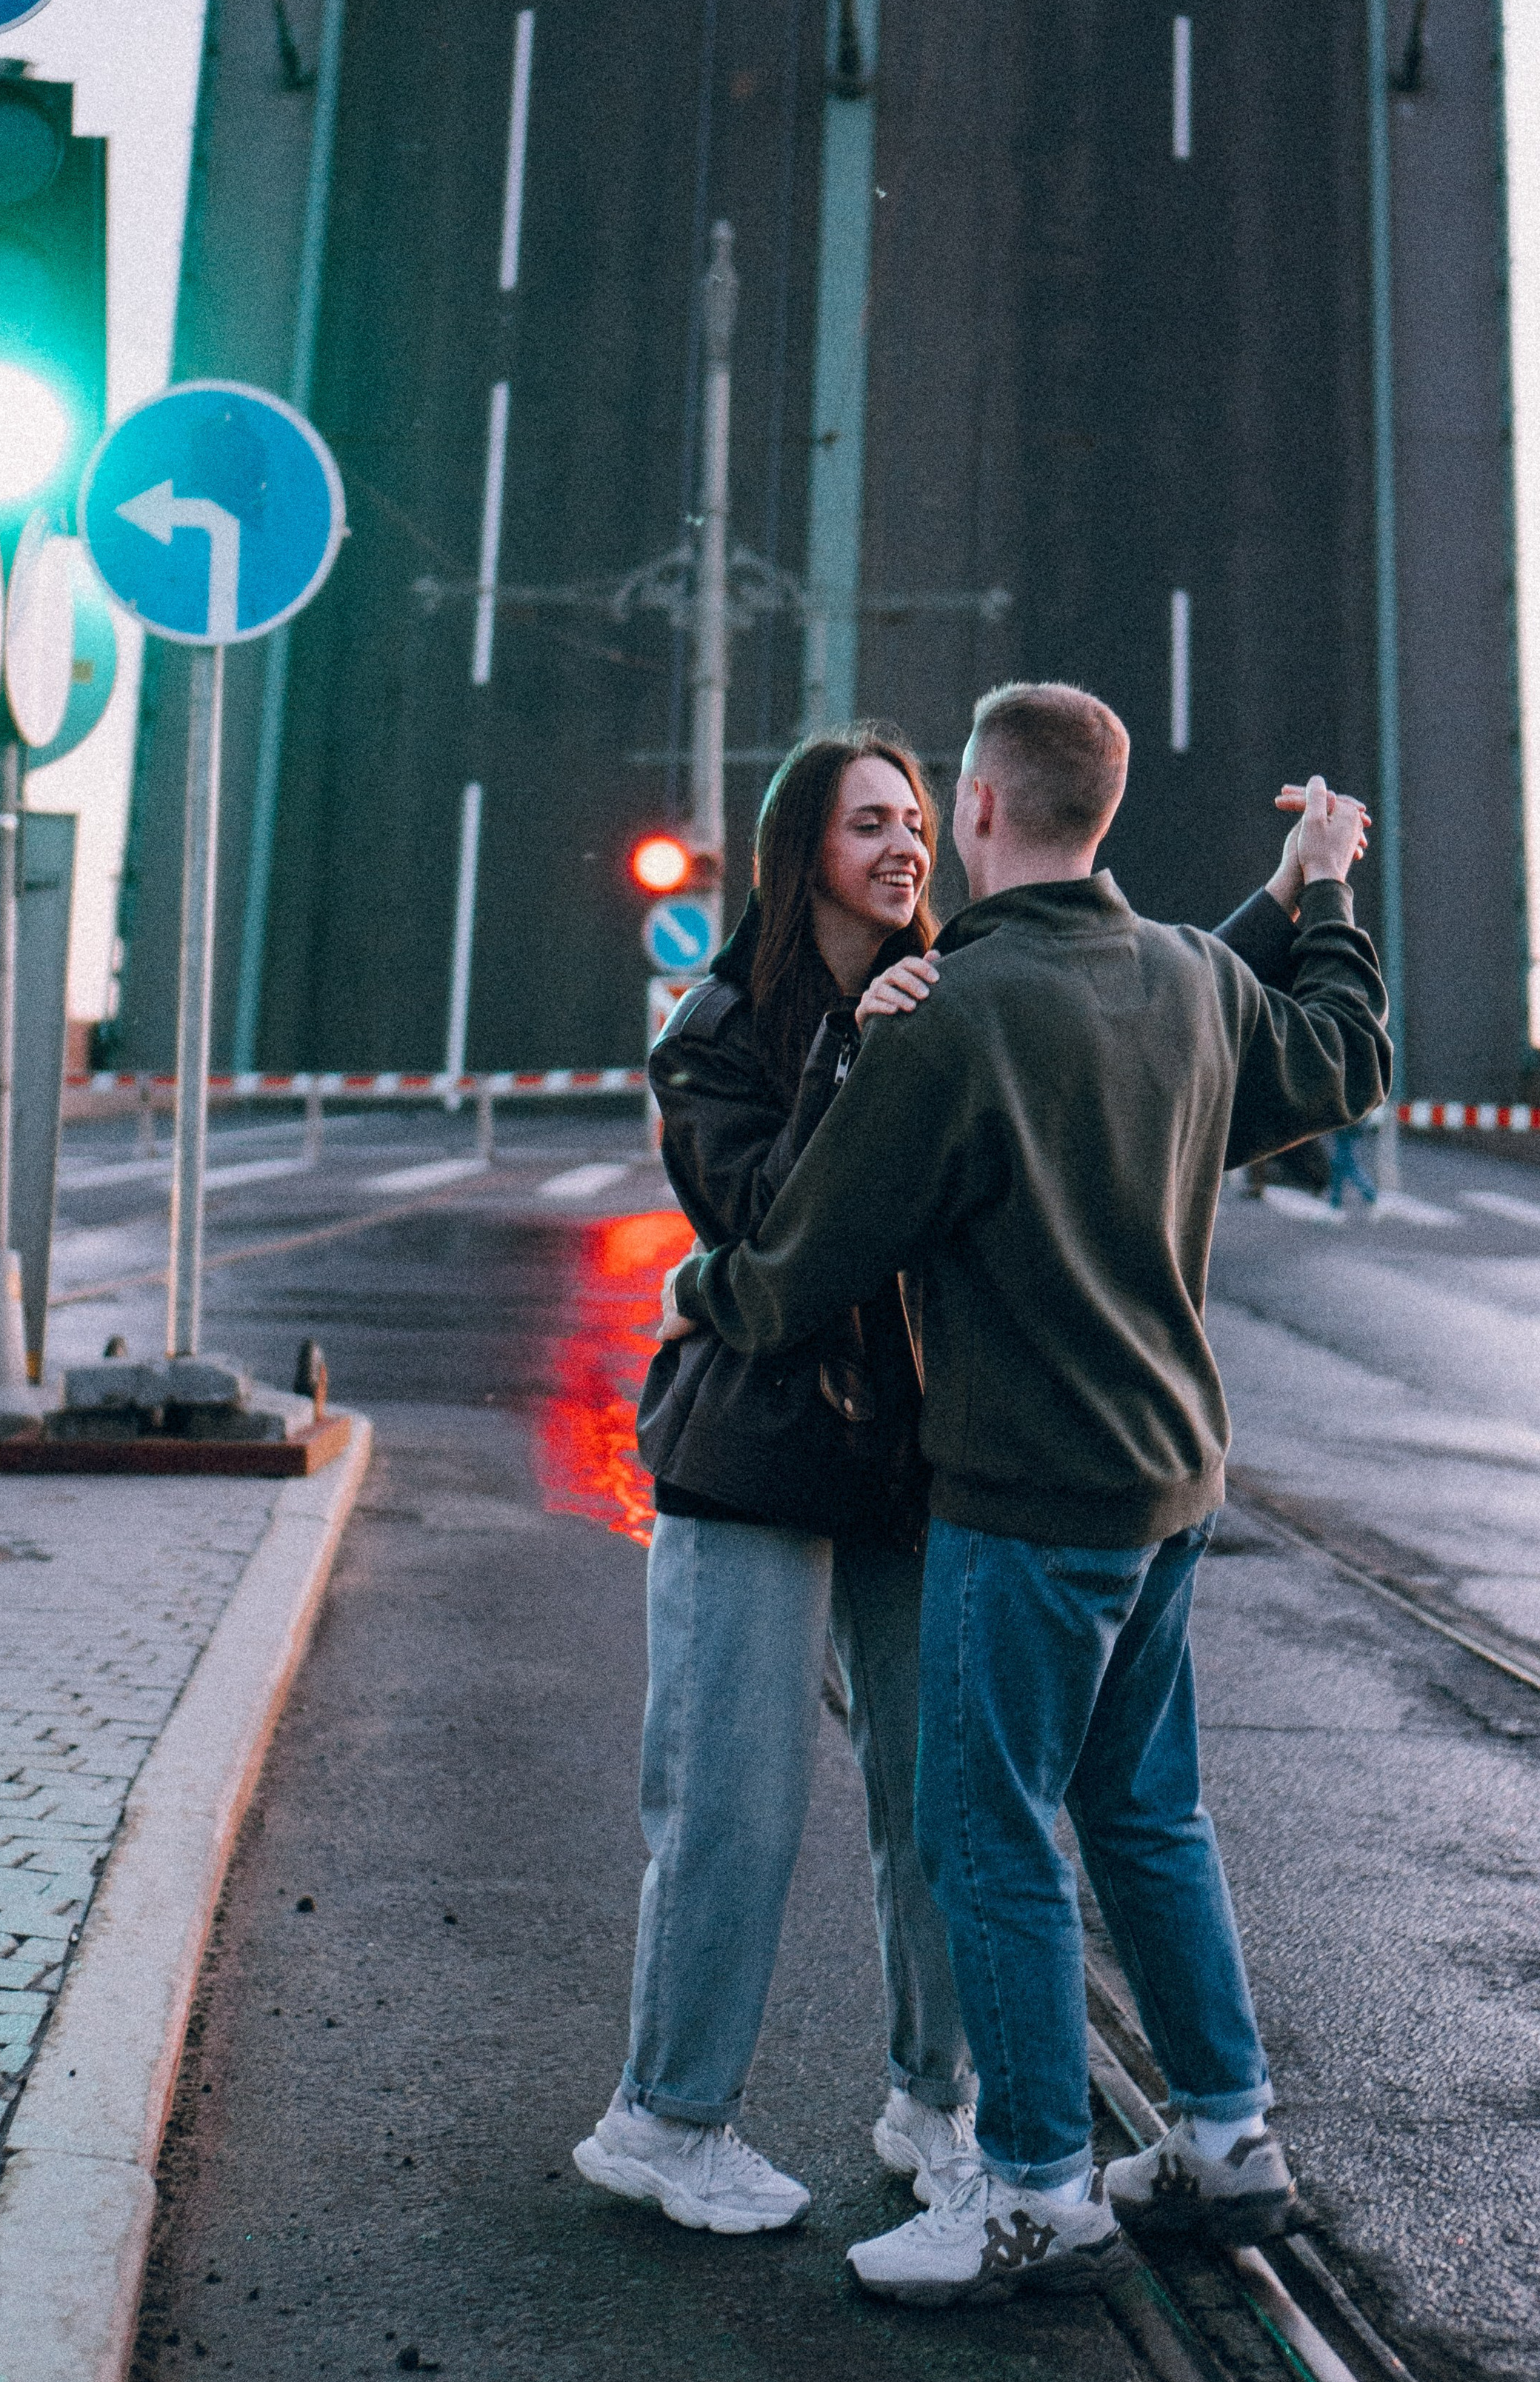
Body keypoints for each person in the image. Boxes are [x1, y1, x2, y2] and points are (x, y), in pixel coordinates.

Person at [573, 725, 1361, 2240]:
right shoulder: (717, 1028)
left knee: (937, 1811)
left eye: (919, 818)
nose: (903, 845)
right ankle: (665, 2119)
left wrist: (1278, 907)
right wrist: (860, 1046)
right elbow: (771, 1223)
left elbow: (1137, 987)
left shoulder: (952, 988)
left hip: (907, 1455)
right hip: (750, 1452)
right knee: (732, 1808)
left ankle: (938, 2104)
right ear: (800, 845)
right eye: (867, 822)